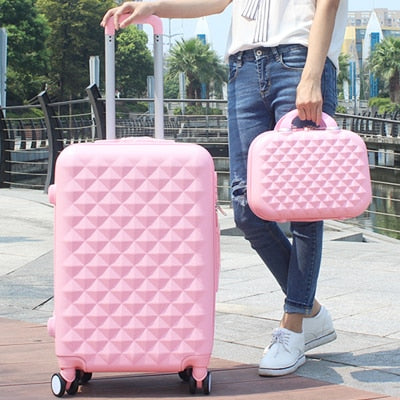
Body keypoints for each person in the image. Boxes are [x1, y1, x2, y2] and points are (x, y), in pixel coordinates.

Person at [102, 0, 348, 377]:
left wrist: (312, 75)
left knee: (303, 204)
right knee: (246, 207)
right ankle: (309, 310)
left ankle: (293, 324)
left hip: (298, 59)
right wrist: (153, 6)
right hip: (242, 68)